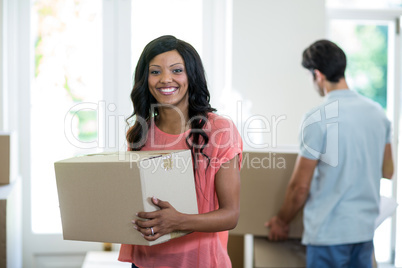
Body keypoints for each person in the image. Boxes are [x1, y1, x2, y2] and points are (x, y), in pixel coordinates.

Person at [265, 39, 394, 268]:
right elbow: (388, 171)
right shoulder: (377, 114)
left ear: (317, 74)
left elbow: (299, 188)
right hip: (364, 233)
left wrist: (281, 221)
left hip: (328, 235)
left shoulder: (318, 117)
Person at [118, 35, 243, 268]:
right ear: (145, 79)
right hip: (144, 263)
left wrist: (179, 221)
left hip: (200, 263)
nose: (165, 79)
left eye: (177, 70)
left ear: (191, 76)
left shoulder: (220, 130)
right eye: (155, 72)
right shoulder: (138, 134)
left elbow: (231, 214)